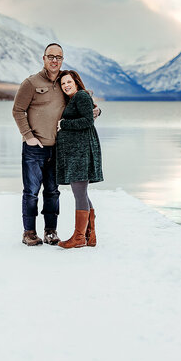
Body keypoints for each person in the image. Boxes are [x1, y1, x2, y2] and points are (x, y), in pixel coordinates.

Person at [12, 43, 99, 246]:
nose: (54, 60)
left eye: (58, 57)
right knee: (31, 192)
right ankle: (29, 232)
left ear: (62, 60)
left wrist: (96, 111)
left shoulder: (64, 83)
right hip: (35, 148)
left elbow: (83, 104)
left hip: (58, 149)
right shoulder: (31, 83)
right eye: (50, 56)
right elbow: (17, 111)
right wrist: (28, 136)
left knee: (52, 192)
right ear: (43, 58)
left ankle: (51, 231)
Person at [55, 69, 103, 249]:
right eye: (63, 84)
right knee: (81, 192)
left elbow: (88, 121)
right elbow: (90, 114)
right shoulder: (76, 98)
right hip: (78, 151)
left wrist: (63, 124)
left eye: (69, 82)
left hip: (81, 152)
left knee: (79, 192)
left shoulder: (81, 96)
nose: (66, 85)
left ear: (76, 82)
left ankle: (79, 237)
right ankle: (90, 236)